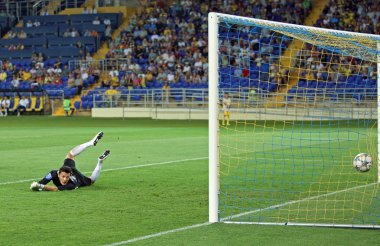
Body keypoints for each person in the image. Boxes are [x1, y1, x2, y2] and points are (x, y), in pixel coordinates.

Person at [30, 132, 110, 191]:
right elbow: (42, 182)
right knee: (70, 154)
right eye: (63, 176)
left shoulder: (71, 185)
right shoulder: (53, 173)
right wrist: (38, 185)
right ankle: (90, 143)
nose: (65, 179)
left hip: (79, 178)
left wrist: (40, 186)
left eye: (67, 177)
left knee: (91, 181)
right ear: (58, 174)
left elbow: (55, 189)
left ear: (70, 174)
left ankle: (100, 161)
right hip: (69, 168)